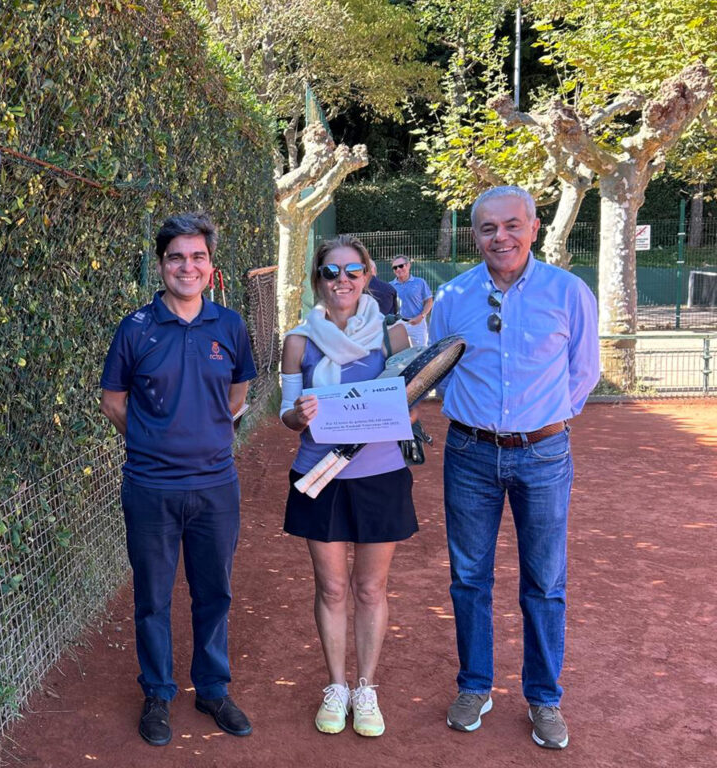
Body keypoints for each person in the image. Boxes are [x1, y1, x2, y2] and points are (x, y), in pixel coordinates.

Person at [429, 186, 599, 750]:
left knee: (545, 582)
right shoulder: (453, 296)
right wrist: (478, 417)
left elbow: (584, 371)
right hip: (469, 454)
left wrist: (544, 420)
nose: (499, 237)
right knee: (468, 578)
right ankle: (475, 686)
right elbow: (441, 368)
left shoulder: (568, 292)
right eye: (487, 228)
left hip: (544, 455)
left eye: (511, 225)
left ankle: (544, 698)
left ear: (533, 228)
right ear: (475, 234)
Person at [99, 212, 257, 747]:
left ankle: (212, 689)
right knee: (153, 596)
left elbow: (237, 394)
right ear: (162, 264)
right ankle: (158, 693)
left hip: (216, 485)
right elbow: (113, 402)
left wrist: (204, 435)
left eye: (197, 257)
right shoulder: (135, 328)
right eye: (176, 258)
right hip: (151, 487)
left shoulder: (230, 326)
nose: (187, 267)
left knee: (215, 592)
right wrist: (153, 441)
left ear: (211, 267)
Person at [281, 235, 418, 738]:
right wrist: (299, 415)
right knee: (333, 587)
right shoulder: (299, 341)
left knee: (370, 588)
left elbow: (413, 403)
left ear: (367, 275)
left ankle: (366, 688)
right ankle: (336, 686)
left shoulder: (393, 334)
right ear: (317, 279)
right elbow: (287, 415)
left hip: (380, 476)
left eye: (353, 271)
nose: (342, 280)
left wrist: (397, 410)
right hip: (320, 476)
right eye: (331, 272)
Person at [390, 255, 433, 347]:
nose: (398, 269)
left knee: (420, 352)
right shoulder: (390, 286)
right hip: (398, 325)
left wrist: (421, 316)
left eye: (401, 266)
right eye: (395, 267)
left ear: (408, 265)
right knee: (399, 353)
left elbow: (429, 301)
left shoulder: (420, 282)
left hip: (417, 324)